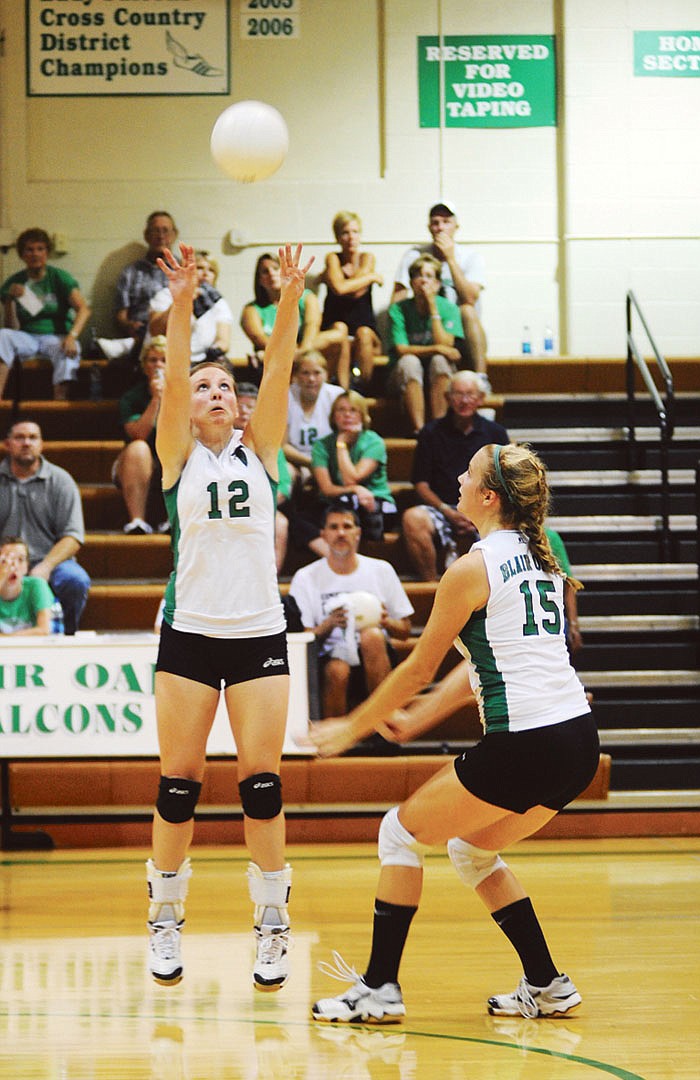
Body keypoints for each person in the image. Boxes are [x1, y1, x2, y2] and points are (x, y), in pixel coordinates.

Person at [310, 442, 600, 1023]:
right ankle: (546, 984)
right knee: (471, 850)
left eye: (467, 474)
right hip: (576, 741)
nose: (458, 479)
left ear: (487, 497)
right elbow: (480, 664)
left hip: (526, 740)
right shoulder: (540, 558)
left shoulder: (472, 569)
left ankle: (379, 989)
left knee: (398, 834)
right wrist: (417, 720)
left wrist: (351, 726)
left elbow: (418, 666)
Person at [145, 241, 312, 995]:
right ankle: (164, 919)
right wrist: (182, 302)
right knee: (178, 785)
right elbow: (174, 377)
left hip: (257, 635)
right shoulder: (176, 452)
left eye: (224, 387)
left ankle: (272, 930)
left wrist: (289, 299)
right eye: (205, 385)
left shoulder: (262, 452)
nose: (214, 392)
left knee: (262, 785)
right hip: (189, 634)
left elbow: (276, 368)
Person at [289, 502, 413, 717]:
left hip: (376, 653)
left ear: (358, 533)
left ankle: (384, 728)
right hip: (328, 655)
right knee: (338, 669)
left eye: (347, 526)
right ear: (323, 534)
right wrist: (328, 624)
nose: (340, 533)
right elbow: (303, 641)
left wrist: (385, 621)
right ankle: (334, 742)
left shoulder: (381, 570)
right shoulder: (305, 577)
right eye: (333, 527)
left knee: (372, 636)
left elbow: (405, 631)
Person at [402, 370, 509, 581]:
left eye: (470, 394)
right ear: (447, 398)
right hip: (443, 508)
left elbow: (505, 480)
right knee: (412, 519)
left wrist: (478, 512)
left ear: (481, 399)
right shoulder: (430, 433)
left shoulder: (496, 433)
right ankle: (432, 585)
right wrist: (447, 511)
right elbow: (421, 483)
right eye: (458, 394)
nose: (464, 400)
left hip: (484, 508)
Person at [0, 419, 91, 635]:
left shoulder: (61, 481)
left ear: (42, 444)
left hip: (49, 560)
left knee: (75, 580)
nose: (26, 443)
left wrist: (46, 566)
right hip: (4, 559)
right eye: (19, 437)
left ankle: (68, 637)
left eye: (33, 438)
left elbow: (73, 536)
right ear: (7, 444)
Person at [391, 202, 487, 373]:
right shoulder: (414, 255)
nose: (440, 227)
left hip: (459, 329)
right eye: (435, 222)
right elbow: (397, 299)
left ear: (456, 226)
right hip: (425, 329)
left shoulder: (471, 257)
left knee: (467, 310)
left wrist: (450, 259)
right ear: (429, 227)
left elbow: (470, 298)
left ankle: (481, 377)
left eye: (446, 222)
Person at [0, 228, 91, 400]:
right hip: (27, 338)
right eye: (29, 249)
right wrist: (10, 299)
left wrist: (72, 336)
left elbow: (84, 309)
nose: (35, 254)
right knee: (2, 336)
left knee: (71, 350)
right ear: (22, 254)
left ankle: (59, 403)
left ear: (47, 253)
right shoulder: (14, 282)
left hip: (55, 338)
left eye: (40, 249)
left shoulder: (59, 277)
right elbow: (11, 327)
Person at [241, 252, 349, 388]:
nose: (271, 274)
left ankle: (343, 390)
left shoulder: (307, 298)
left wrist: (300, 354)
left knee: (339, 333)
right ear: (259, 280)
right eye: (265, 271)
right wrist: (289, 354)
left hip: (307, 350)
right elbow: (262, 341)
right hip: (276, 359)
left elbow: (312, 326)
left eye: (276, 268)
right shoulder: (251, 310)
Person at [386, 254, 465, 433]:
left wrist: (433, 308)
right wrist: (437, 348)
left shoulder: (449, 307)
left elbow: (446, 343)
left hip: (438, 372)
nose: (423, 281)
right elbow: (402, 349)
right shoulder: (398, 309)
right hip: (402, 374)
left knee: (440, 361)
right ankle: (420, 431)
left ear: (437, 283)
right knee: (410, 362)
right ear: (412, 282)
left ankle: (438, 430)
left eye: (429, 276)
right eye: (418, 275)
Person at [311, 390, 398, 541]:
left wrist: (341, 445)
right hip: (339, 501)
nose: (347, 415)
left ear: (362, 416)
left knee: (356, 507)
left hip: (375, 500)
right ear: (333, 416)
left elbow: (352, 477)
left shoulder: (374, 441)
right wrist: (354, 489)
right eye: (341, 410)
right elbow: (326, 488)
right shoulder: (322, 446)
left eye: (353, 410)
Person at [97, 211, 178, 362]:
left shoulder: (182, 270)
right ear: (146, 235)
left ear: (174, 235)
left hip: (175, 335)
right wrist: (129, 325)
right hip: (140, 333)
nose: (160, 236)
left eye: (165, 230)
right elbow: (121, 316)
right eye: (155, 230)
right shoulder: (131, 272)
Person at [234, 381, 292, 575]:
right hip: (225, 507)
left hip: (261, 507)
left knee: (280, 523)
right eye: (239, 406)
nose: (244, 411)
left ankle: (269, 580)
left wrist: (258, 506)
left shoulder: (269, 443)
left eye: (250, 407)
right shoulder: (219, 439)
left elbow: (284, 487)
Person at [321, 212, 383, 392]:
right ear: (337, 237)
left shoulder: (367, 258)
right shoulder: (332, 258)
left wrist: (337, 280)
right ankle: (343, 391)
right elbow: (340, 289)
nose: (351, 237)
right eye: (345, 233)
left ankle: (362, 390)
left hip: (364, 329)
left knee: (363, 333)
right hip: (336, 325)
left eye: (355, 232)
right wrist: (371, 276)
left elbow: (356, 291)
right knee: (341, 330)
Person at [112, 336, 167, 535]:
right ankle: (137, 521)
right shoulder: (132, 397)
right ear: (144, 366)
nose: (158, 365)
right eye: (153, 360)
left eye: (164, 360)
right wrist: (155, 401)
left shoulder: (187, 396)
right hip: (137, 462)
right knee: (138, 448)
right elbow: (139, 433)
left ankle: (173, 519)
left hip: (169, 459)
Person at [148, 249, 234, 364]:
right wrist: (180, 301)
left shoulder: (218, 303)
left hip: (203, 361)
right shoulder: (166, 295)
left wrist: (214, 352)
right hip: (168, 360)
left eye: (211, 270)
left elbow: (224, 341)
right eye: (200, 268)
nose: (205, 273)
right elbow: (156, 331)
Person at [284, 350, 345, 491]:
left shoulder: (336, 396)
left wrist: (321, 463)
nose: (311, 379)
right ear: (296, 377)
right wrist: (311, 463)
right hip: (295, 461)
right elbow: (282, 446)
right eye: (305, 373)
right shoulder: (285, 397)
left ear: (326, 375)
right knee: (286, 472)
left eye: (317, 373)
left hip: (330, 458)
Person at [0, 536, 54, 636]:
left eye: (20, 560)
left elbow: (44, 630)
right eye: (5, 560)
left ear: (26, 567)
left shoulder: (37, 585)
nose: (13, 566)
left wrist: (7, 639)